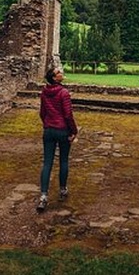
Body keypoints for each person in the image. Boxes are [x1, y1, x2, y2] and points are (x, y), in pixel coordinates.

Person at [37, 66, 78, 212]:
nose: (61, 73)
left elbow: (42, 113)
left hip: (48, 130)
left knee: (47, 162)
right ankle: (62, 190)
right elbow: (68, 115)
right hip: (62, 130)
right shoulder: (63, 93)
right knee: (64, 160)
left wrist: (47, 124)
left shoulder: (44, 92)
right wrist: (74, 131)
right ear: (54, 78)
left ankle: (43, 196)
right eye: (58, 72)